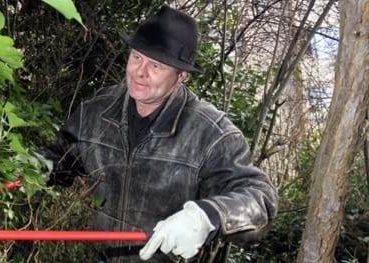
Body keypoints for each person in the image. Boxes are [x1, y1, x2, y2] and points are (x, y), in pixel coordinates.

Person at [40, 5, 278, 263]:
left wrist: (207, 216)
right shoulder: (97, 110)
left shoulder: (210, 133)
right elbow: (62, 158)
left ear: (181, 76)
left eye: (156, 65)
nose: (140, 72)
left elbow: (260, 200)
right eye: (136, 57)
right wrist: (29, 167)